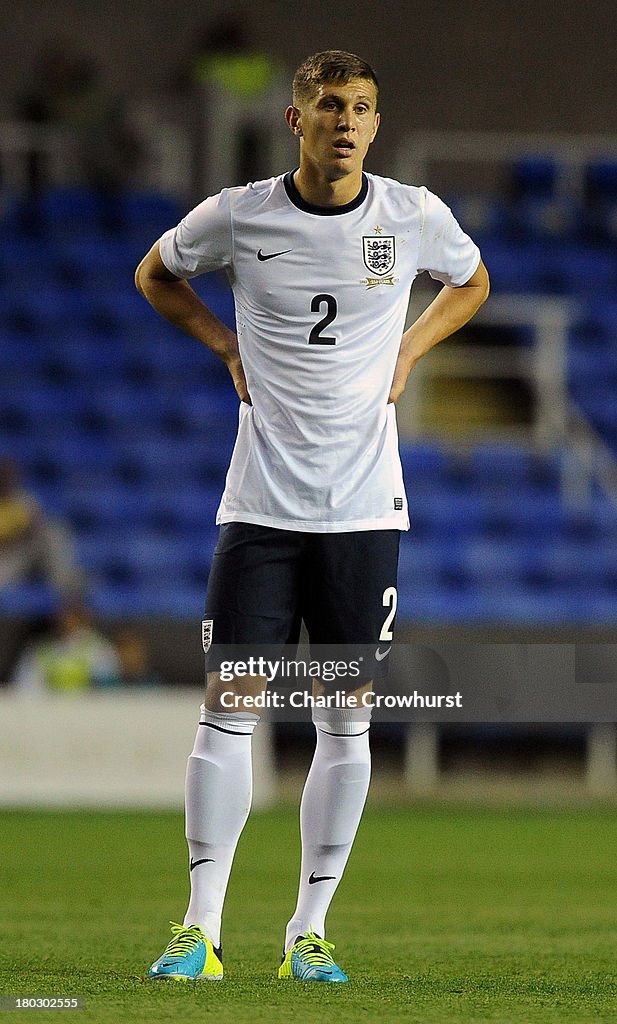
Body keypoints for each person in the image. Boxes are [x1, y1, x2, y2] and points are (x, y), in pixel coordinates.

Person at [135, 49, 489, 984]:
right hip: (258, 509)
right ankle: (200, 931)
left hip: (365, 511)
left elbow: (472, 280)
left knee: (345, 723)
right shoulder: (239, 214)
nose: (346, 121)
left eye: (362, 108)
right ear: (296, 119)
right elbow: (157, 275)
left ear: (377, 124)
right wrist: (226, 350)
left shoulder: (410, 215)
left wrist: (408, 353)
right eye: (329, 105)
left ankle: (308, 933)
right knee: (228, 714)